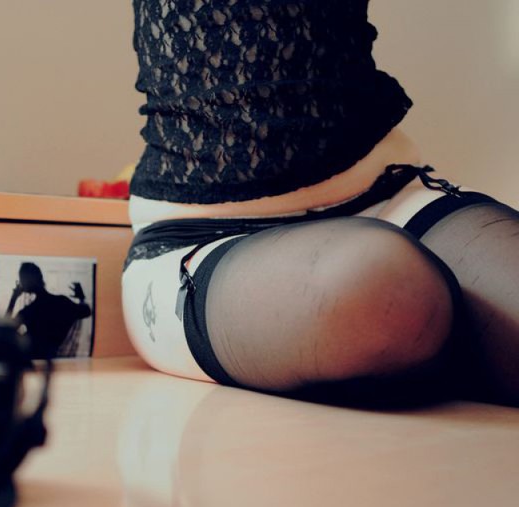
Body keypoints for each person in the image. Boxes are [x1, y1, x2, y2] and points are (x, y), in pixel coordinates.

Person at [121, 0, 519, 408]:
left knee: (393, 292)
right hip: (200, 235)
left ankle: (431, 346)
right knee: (383, 289)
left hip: (386, 194)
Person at [5, 262, 92, 358]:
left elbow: (5, 330)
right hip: (56, 360)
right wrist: (81, 297)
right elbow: (86, 311)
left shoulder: (28, 312)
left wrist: (13, 298)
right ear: (41, 278)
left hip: (34, 360)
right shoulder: (62, 302)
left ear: (24, 283)